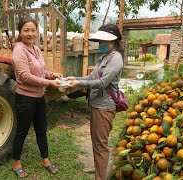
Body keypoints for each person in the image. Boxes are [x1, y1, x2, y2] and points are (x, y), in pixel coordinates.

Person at [66, 24, 124, 180]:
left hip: (105, 107)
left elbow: (102, 83)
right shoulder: (103, 57)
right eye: (99, 40)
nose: (100, 44)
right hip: (95, 104)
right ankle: (98, 168)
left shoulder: (116, 59)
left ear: (113, 41)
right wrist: (76, 78)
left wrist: (79, 84)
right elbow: (92, 78)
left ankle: (100, 176)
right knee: (96, 140)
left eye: (103, 41)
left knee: (101, 144)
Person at [11, 17, 61, 178]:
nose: (30, 33)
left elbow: (39, 71)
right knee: (22, 132)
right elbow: (25, 76)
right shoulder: (19, 50)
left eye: (33, 30)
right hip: (25, 98)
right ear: (20, 32)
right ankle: (16, 163)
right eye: (26, 30)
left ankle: (45, 159)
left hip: (39, 97)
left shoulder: (36, 49)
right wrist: (49, 83)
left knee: (42, 129)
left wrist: (52, 75)